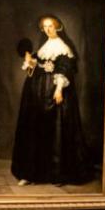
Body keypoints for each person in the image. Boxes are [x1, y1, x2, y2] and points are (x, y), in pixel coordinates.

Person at [10, 15, 92, 186]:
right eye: (45, 27)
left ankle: (58, 175)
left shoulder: (62, 47)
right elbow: (38, 65)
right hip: (37, 94)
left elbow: (64, 69)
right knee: (36, 129)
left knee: (56, 130)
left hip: (53, 92)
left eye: (51, 26)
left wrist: (59, 88)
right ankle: (31, 174)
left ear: (57, 27)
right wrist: (30, 61)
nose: (48, 29)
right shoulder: (44, 46)